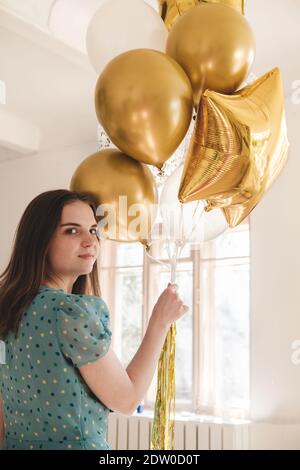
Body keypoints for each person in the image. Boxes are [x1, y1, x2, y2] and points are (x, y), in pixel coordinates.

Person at [0, 189, 189, 450]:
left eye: (93, 230)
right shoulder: (69, 313)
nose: (91, 241)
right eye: (72, 230)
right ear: (39, 240)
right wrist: (160, 321)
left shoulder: (7, 309)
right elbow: (126, 400)